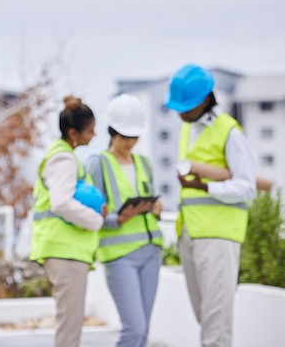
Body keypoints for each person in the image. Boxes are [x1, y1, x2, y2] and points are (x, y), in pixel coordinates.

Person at [165, 64, 256, 347]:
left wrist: (205, 186)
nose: (180, 113)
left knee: (216, 327)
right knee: (205, 320)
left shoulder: (230, 132)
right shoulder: (187, 130)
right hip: (190, 234)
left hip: (218, 236)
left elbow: (247, 187)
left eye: (186, 107)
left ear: (205, 100)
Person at [86, 93, 163, 347]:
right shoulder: (98, 164)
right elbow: (92, 213)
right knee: (134, 329)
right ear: (112, 132)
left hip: (151, 251)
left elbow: (152, 204)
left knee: (143, 333)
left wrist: (156, 209)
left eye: (134, 137)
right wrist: (119, 218)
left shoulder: (144, 163)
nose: (130, 142)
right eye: (124, 136)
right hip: (119, 256)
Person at [29, 95, 105, 347]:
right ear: (73, 132)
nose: (93, 136)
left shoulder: (62, 155)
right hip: (65, 250)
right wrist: (96, 220)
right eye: (90, 131)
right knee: (69, 329)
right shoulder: (63, 159)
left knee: (70, 324)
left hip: (66, 250)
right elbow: (61, 203)